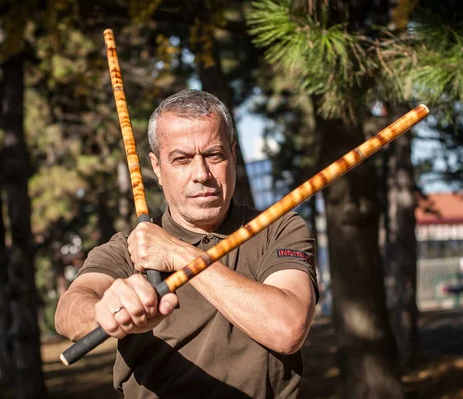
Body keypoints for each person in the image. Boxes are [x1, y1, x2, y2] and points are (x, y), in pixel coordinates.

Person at [55, 89, 318, 398]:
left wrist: (178, 253)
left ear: (233, 154)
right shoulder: (132, 246)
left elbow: (287, 329)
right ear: (156, 168)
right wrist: (103, 311)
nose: (202, 174)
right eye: (181, 160)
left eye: (214, 155)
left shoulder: (279, 228)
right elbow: (68, 312)